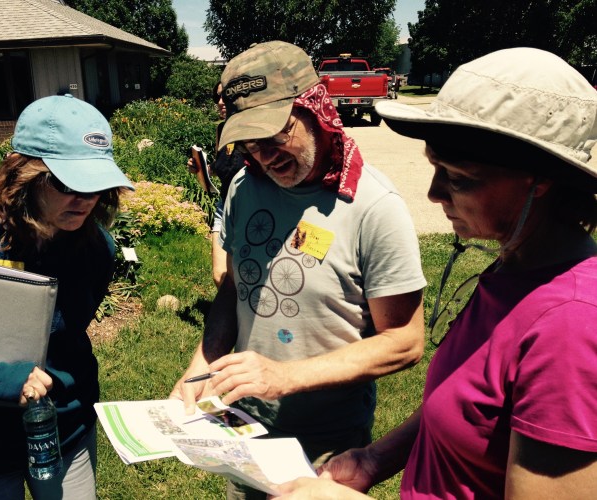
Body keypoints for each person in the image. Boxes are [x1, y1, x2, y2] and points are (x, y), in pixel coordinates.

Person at [276, 47, 597, 499]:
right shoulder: (516, 268)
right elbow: (465, 406)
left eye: (459, 178)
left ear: (539, 180)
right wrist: (376, 458)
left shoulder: (571, 325)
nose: (433, 193)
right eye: (434, 168)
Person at [170, 40, 427, 499]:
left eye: (276, 134)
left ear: (317, 109)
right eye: (250, 141)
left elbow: (405, 343)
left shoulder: (374, 207)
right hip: (242, 428)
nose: (265, 156)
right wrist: (201, 367)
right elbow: (234, 287)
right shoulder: (244, 188)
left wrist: (285, 376)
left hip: (327, 448)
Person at [0, 94, 134, 499]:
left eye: (96, 184)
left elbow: (70, 336)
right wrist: (2, 380)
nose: (86, 199)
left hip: (65, 436)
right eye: (65, 183)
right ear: (18, 171)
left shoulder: (97, 248)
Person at [188, 81, 246, 288]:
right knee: (219, 275)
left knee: (240, 277)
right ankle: (234, 317)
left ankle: (242, 318)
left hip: (248, 206)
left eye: (226, 97)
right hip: (224, 205)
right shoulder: (222, 130)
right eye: (217, 97)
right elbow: (222, 164)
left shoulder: (252, 131)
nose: (220, 102)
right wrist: (203, 168)